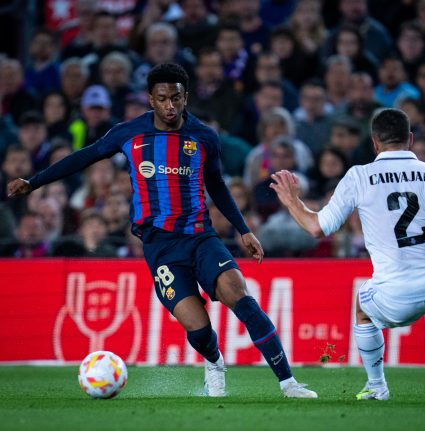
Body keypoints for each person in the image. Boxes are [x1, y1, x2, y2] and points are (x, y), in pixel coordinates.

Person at [7, 63, 316, 399]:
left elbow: (217, 186)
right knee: (197, 327)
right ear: (151, 100)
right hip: (160, 246)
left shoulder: (203, 137)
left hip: (201, 236)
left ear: (186, 98)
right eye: (163, 98)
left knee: (240, 296)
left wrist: (243, 230)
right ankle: (214, 362)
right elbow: (83, 157)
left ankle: (288, 383)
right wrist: (34, 182)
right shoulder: (129, 133)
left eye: (177, 98)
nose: (170, 105)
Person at [270, 108, 425, 401]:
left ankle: (377, 386)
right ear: (410, 139)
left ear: (374, 142)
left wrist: (292, 201)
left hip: (395, 295)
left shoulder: (359, 176)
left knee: (362, 306)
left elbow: (316, 228)